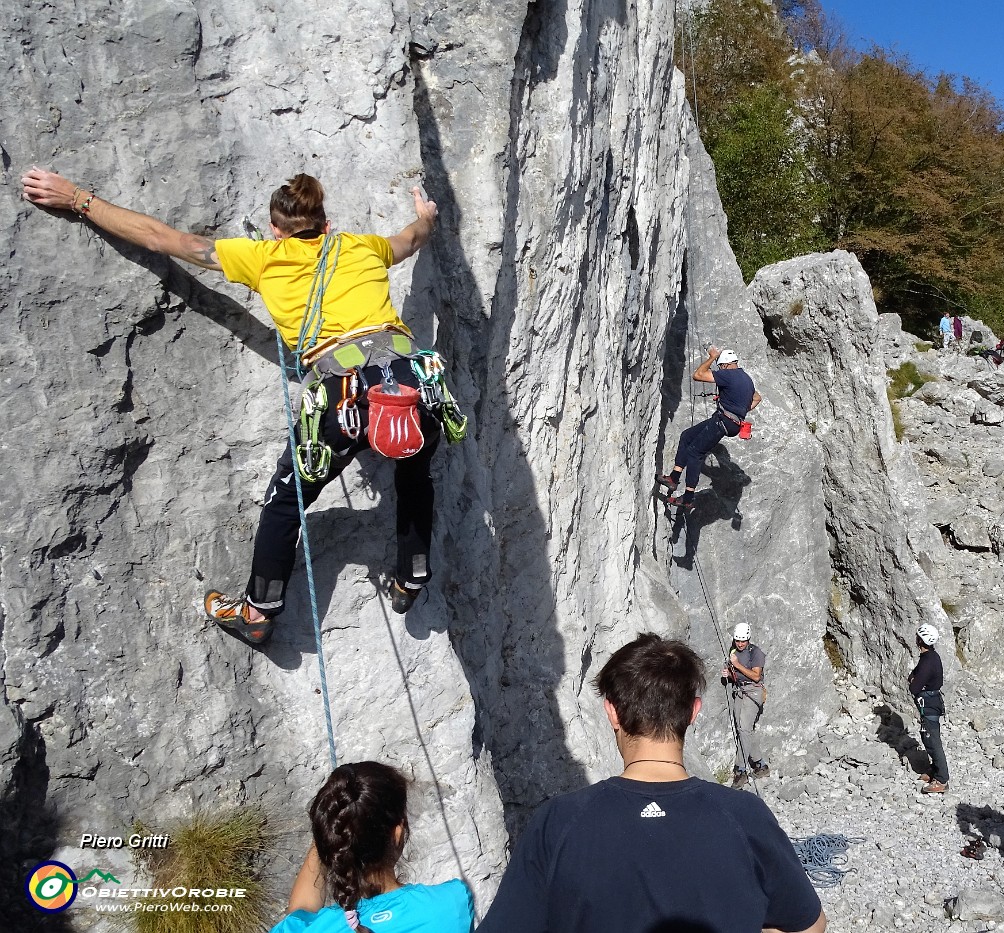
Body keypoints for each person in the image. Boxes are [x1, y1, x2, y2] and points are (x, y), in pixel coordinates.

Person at [20, 167, 460, 643]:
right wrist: (427, 216)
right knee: (416, 471)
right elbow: (410, 240)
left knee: (287, 501)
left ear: (276, 229)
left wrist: (78, 199)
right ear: (326, 223)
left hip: (343, 392)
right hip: (412, 381)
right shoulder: (362, 246)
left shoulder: (261, 258)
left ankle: (257, 613)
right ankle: (411, 575)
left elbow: (163, 239)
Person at [477, 632, 826, 933]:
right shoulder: (746, 815)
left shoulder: (556, 824)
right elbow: (810, 925)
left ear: (611, 711)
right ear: (693, 711)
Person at [273, 760, 474, 933]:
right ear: (397, 834)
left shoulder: (310, 929)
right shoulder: (452, 903)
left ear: (329, 842)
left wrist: (330, 830)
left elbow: (300, 911)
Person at [655, 346, 761, 510]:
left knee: (695, 452)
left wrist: (712, 357)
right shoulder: (746, 379)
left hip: (724, 421)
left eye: (720, 366)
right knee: (687, 436)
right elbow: (757, 398)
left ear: (724, 365)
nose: (720, 370)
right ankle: (674, 478)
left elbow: (698, 375)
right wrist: (737, 408)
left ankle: (688, 498)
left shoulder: (728, 374)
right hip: (731, 422)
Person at [724, 622, 769, 788]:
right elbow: (735, 673)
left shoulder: (756, 653)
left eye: (743, 641)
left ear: (748, 639)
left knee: (744, 729)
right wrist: (729, 673)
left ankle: (740, 770)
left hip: (753, 692)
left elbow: (756, 676)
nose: (740, 643)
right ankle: (760, 765)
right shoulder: (733, 650)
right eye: (737, 640)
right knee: (745, 729)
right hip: (740, 691)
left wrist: (736, 665)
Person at [907, 622, 948, 794]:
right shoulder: (930, 656)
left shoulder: (928, 661)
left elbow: (914, 687)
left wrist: (914, 683)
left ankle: (942, 779)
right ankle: (934, 769)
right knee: (927, 736)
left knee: (933, 741)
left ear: (921, 640)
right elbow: (916, 674)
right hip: (930, 703)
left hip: (929, 704)